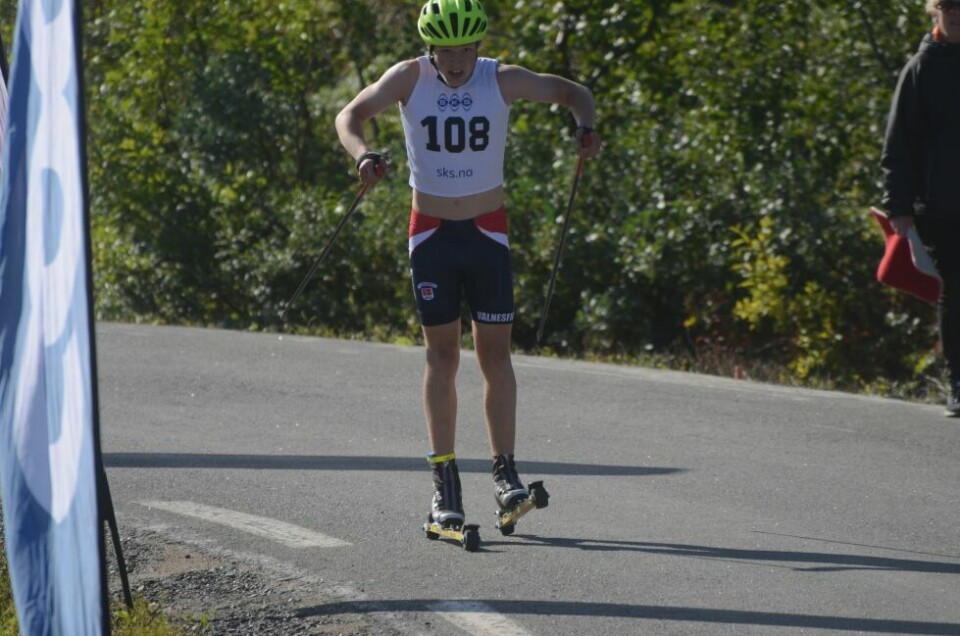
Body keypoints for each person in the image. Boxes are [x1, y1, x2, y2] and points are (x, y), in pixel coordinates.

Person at [335, 0, 601, 526]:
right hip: (432, 235)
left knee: (495, 357)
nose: (455, 61)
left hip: (486, 234)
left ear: (478, 46)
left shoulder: (498, 79)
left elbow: (575, 93)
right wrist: (363, 155)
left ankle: (505, 474)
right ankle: (444, 481)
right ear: (430, 49)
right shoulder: (409, 77)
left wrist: (585, 127)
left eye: (464, 49)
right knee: (442, 359)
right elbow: (350, 114)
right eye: (445, 51)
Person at [881, 0, 960, 417]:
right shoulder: (919, 70)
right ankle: (958, 382)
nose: (957, 14)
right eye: (949, 6)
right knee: (956, 291)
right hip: (939, 205)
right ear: (936, 13)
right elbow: (898, 147)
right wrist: (899, 210)